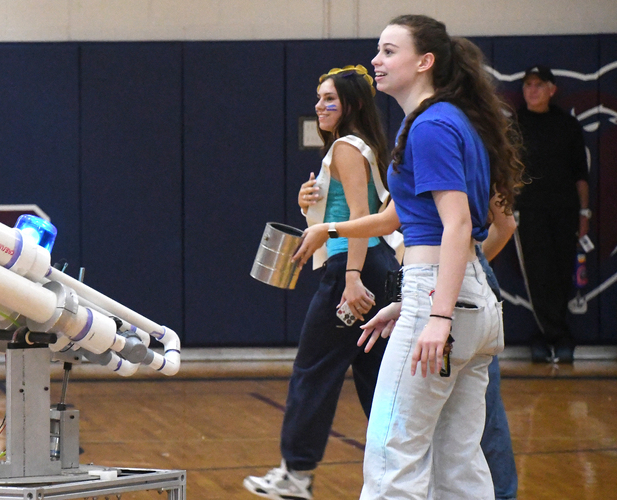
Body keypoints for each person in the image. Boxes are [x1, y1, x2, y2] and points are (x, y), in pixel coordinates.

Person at [292, 14, 523, 499]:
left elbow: (458, 224)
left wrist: (435, 315)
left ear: (425, 61)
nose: (376, 60)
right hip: (466, 300)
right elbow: (399, 219)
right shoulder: (441, 120)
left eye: (389, 50)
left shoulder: (431, 126)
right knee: (458, 463)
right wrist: (331, 231)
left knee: (391, 454)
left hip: (443, 298)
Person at [243, 65, 399, 500]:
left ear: (354, 105)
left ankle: (296, 475)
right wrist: (308, 204)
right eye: (318, 98)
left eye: (330, 99)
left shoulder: (348, 148)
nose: (320, 106)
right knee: (376, 379)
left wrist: (350, 278)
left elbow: (356, 221)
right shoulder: (357, 148)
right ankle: (409, 466)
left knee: (313, 370)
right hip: (378, 267)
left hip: (356, 269)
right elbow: (357, 212)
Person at [514, 65, 590, 364]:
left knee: (560, 273)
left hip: (565, 211)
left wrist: (585, 213)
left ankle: (555, 336)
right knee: (538, 274)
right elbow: (504, 172)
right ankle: (550, 338)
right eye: (528, 85)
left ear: (551, 89)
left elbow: (580, 174)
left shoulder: (567, 125)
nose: (532, 90)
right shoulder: (515, 125)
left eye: (538, 84)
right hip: (528, 212)